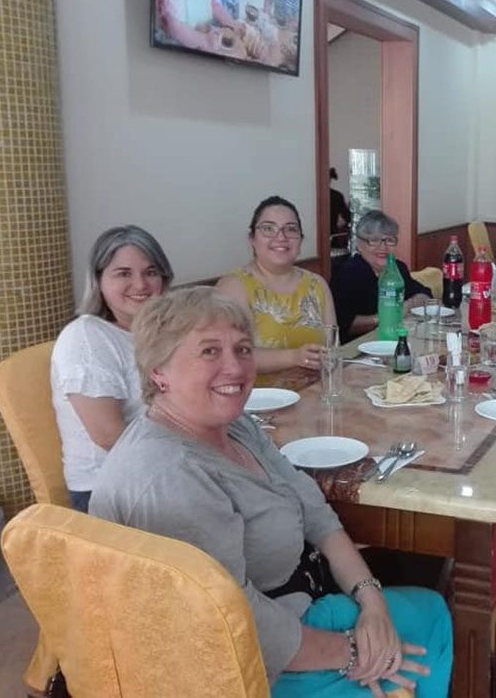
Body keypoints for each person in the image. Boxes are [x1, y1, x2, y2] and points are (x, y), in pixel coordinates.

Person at [89, 288, 452, 698]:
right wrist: (354, 653)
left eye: (243, 349)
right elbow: (228, 619)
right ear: (159, 372)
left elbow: (314, 511)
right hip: (243, 668)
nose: (235, 367)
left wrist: (372, 601)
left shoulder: (234, 426)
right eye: (209, 351)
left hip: (301, 605)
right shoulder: (170, 476)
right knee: (427, 631)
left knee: (429, 611)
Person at [51, 226, 174, 513]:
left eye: (151, 272)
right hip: (110, 489)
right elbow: (109, 436)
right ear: (99, 281)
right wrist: (194, 464)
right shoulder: (86, 336)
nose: (140, 284)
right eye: (123, 274)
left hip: (164, 471)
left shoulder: (164, 333)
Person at [216, 196, 337, 381]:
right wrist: (294, 357)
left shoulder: (317, 284)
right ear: (252, 239)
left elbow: (333, 348)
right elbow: (232, 356)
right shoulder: (233, 286)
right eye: (268, 229)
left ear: (300, 240)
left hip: (316, 394)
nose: (281, 237)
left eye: (291, 229)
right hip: (258, 397)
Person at [331, 210, 431, 341]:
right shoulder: (348, 273)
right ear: (359, 245)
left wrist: (410, 303)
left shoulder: (397, 268)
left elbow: (425, 293)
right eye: (374, 240)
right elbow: (343, 325)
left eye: (389, 240)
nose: (383, 247)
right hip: (358, 344)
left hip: (393, 338)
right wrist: (386, 317)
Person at [329, 167, 351, 250]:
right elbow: (348, 217)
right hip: (332, 237)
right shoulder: (337, 196)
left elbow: (347, 217)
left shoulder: (337, 196)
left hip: (331, 237)